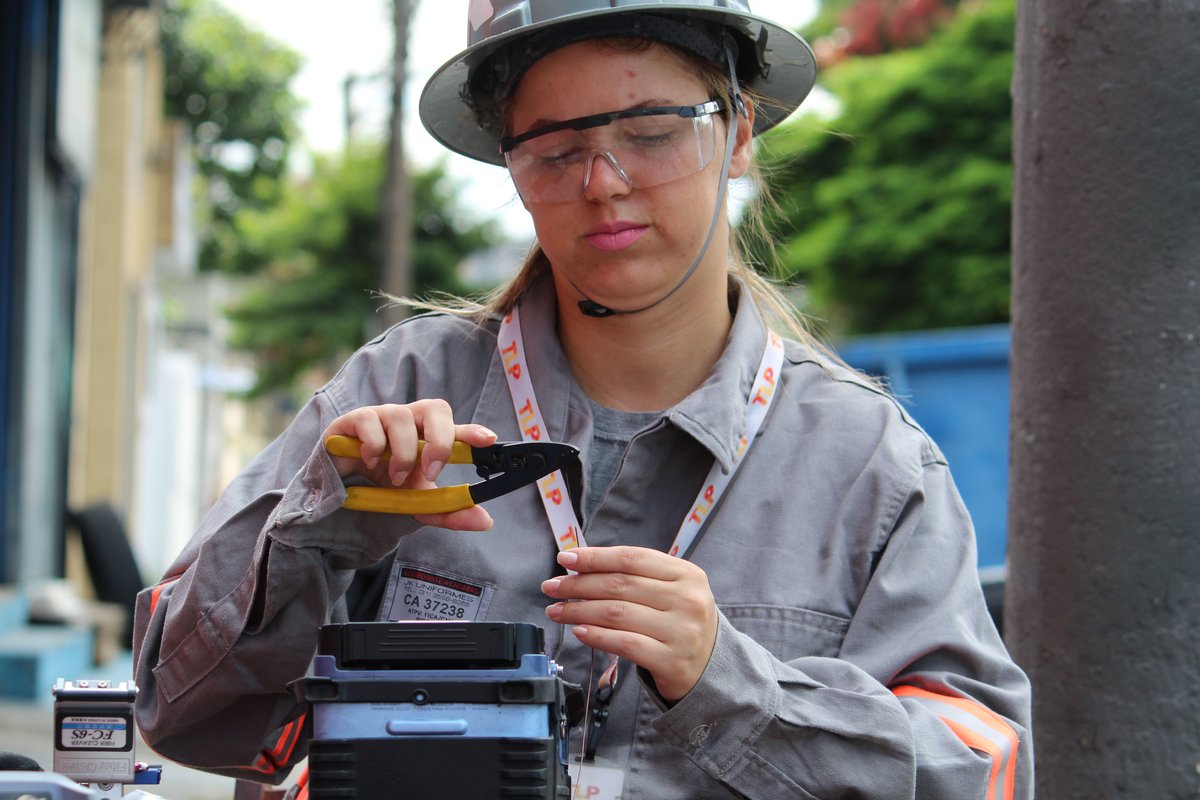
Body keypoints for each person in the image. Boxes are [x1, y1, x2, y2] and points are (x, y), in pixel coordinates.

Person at [133, 1, 1034, 798]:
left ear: (740, 131)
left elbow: (979, 766)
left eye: (651, 132)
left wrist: (731, 684)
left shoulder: (867, 463)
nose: (603, 183)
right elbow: (178, 714)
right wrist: (320, 532)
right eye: (555, 150)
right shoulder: (395, 397)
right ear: (512, 167)